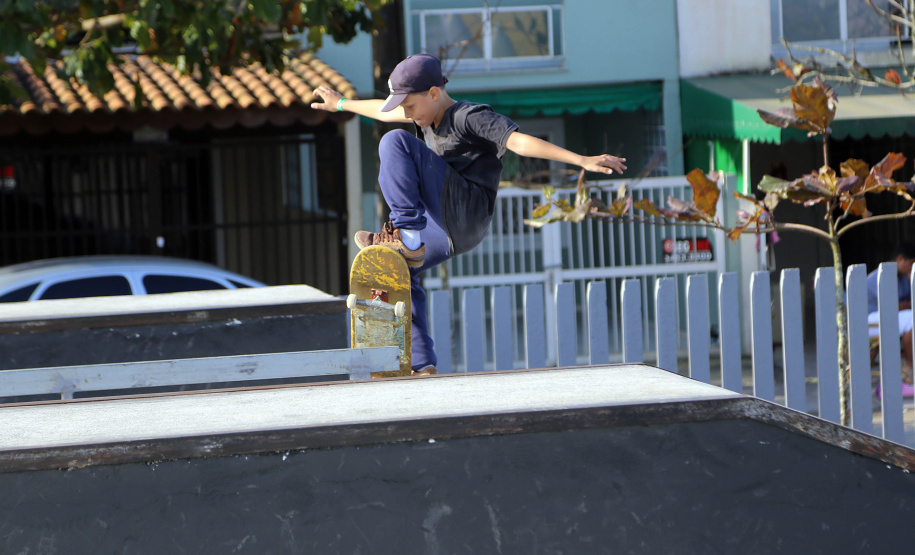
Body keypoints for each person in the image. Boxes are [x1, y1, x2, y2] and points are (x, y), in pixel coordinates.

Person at [312, 53, 626, 375]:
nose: (408, 114)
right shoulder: (425, 114)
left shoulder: (469, 116)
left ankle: (406, 235)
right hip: (451, 231)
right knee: (401, 272)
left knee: (394, 143)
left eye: (410, 107)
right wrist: (340, 105)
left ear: (434, 93)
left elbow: (518, 142)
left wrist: (581, 160)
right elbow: (381, 111)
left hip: (467, 209)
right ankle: (422, 365)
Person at [867, 241, 915, 396]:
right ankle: (909, 369)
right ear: (900, 259)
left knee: (910, 323)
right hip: (868, 320)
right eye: (911, 263)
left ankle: (909, 369)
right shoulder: (877, 277)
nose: (912, 268)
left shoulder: (903, 278)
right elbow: (892, 306)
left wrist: (910, 279)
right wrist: (907, 304)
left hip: (888, 318)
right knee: (911, 318)